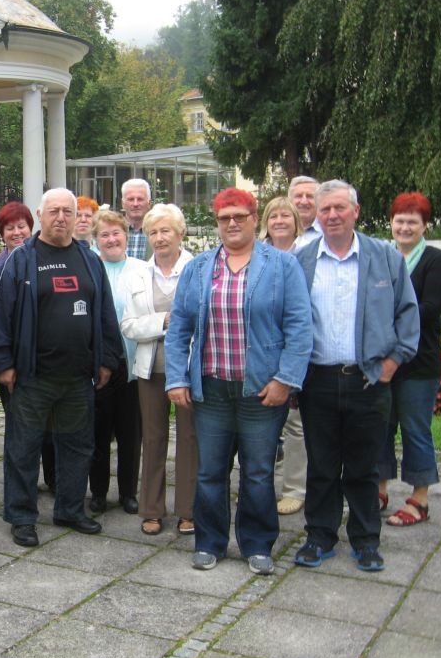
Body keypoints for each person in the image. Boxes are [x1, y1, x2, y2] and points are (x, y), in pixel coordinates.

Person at [166, 189, 312, 575]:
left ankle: (258, 544)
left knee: (258, 473)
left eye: (239, 216)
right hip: (211, 390)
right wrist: (177, 377)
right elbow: (179, 328)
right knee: (210, 472)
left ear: (253, 218)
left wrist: (285, 380)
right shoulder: (199, 268)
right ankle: (210, 542)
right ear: (217, 223)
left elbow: (300, 326)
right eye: (224, 217)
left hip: (261, 391)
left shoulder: (281, 266)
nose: (232, 223)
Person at [0, 188, 123, 548]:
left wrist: (107, 360)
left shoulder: (89, 259)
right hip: (32, 376)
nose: (61, 217)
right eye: (54, 211)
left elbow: (105, 313)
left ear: (77, 218)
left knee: (77, 446)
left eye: (68, 211)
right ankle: (21, 516)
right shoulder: (21, 259)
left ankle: (70, 510)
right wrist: (2, 365)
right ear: (41, 216)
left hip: (78, 377)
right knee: (23, 449)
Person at [294, 180, 419, 572]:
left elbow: (408, 312)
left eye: (339, 208)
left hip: (368, 380)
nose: (332, 215)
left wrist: (392, 363)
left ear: (356, 211)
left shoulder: (384, 257)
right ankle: (319, 536)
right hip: (318, 379)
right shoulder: (303, 259)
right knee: (322, 465)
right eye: (325, 209)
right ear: (317, 215)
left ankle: (366, 541)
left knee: (365, 467)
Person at [120, 204, 197, 536]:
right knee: (152, 439)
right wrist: (162, 321)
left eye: (166, 230)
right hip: (150, 369)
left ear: (180, 233)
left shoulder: (198, 268)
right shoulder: (138, 274)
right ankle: (151, 509)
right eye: (153, 232)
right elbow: (128, 325)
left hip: (189, 369)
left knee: (190, 439)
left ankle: (188, 510)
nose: (159, 238)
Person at [0, 202, 56, 490]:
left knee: (51, 427)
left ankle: (54, 480)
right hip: (11, 365)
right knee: (20, 429)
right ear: (1, 233)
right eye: (10, 228)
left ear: (32, 228)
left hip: (45, 361)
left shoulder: (44, 261)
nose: (17, 232)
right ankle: (20, 486)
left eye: (22, 226)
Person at [379, 193, 441, 527]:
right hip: (383, 361)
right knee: (380, 428)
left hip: (419, 365)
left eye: (413, 221)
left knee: (415, 430)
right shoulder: (383, 257)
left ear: (425, 226)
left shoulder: (435, 261)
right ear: (391, 223)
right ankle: (378, 490)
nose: (405, 227)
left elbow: (430, 309)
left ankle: (419, 500)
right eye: (400, 220)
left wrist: (384, 321)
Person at [87, 210, 141, 516]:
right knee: (98, 432)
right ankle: (98, 492)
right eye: (104, 235)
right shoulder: (90, 267)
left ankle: (128, 493)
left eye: (116, 233)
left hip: (132, 364)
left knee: (130, 433)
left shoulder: (141, 269)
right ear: (96, 240)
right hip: (100, 365)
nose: (111, 239)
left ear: (126, 236)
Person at [259, 197, 308, 516]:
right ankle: (258, 489)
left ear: (296, 221)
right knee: (259, 427)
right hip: (260, 351)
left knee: (294, 425)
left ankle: (294, 489)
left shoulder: (306, 255)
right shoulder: (255, 253)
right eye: (273, 215)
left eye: (285, 215)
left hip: (292, 348)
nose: (279, 221)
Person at [121, 179, 152, 260]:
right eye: (131, 199)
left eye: (140, 199)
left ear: (149, 203)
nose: (135, 204)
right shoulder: (113, 232)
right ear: (123, 204)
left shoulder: (157, 232)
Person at [288, 176, 322, 248]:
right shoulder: (277, 232)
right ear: (290, 201)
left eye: (310, 196)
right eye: (299, 196)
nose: (304, 202)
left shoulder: (328, 232)